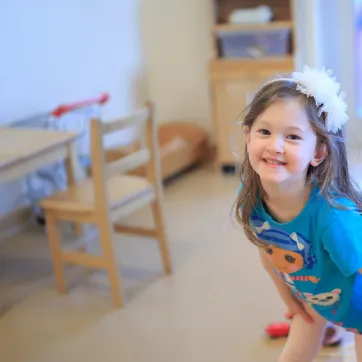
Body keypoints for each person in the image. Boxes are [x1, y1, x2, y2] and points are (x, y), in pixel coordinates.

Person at [235, 66, 362, 361]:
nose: (275, 146)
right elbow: (269, 254)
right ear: (248, 135)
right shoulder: (251, 197)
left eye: (292, 137)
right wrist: (291, 304)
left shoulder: (335, 220)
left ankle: (340, 330)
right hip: (317, 301)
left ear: (318, 153)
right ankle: (332, 328)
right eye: (264, 131)